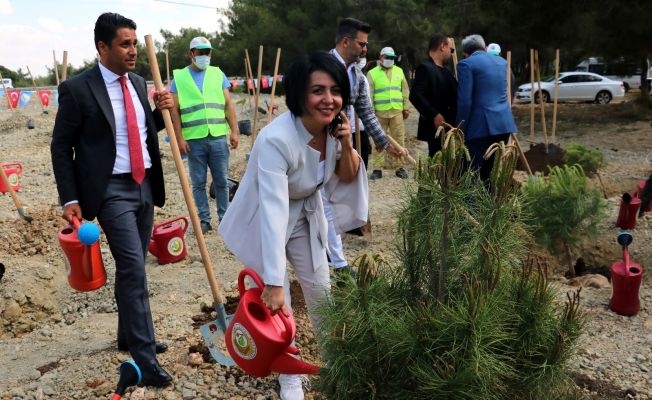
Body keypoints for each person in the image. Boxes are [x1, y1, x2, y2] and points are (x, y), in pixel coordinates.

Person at [219, 51, 367, 400]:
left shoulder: (332, 130)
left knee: (321, 288)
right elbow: (272, 210)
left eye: (334, 90)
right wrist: (272, 281)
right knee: (278, 300)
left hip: (306, 210)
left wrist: (346, 141)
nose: (327, 99)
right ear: (300, 94)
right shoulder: (275, 140)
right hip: (266, 213)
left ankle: (335, 364)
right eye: (318, 90)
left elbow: (346, 175)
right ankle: (289, 374)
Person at [50, 12, 174, 387]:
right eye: (125, 44)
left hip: (144, 185)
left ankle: (129, 335)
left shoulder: (137, 83)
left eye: (135, 43)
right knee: (135, 267)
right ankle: (144, 356)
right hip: (109, 192)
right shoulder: (78, 89)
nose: (133, 50)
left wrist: (160, 110)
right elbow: (61, 146)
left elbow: (139, 129)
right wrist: (69, 197)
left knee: (132, 266)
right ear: (103, 47)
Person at [169, 36, 239, 234]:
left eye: (207, 52)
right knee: (198, 183)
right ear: (191, 54)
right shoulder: (179, 78)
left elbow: (228, 105)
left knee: (222, 181)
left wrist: (234, 131)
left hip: (217, 137)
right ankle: (204, 220)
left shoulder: (218, 74)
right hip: (193, 140)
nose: (205, 56)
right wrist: (179, 138)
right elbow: (174, 111)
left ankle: (224, 219)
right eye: (200, 52)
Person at [456, 34, 517, 181]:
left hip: (481, 127)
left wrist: (459, 128)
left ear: (465, 52)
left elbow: (465, 101)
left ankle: (472, 205)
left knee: (470, 172)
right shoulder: (502, 62)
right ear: (484, 47)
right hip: (504, 125)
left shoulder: (466, 64)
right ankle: (490, 202)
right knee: (489, 172)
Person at [410, 34, 458, 158]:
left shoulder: (446, 71)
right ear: (442, 46)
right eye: (451, 49)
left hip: (450, 127)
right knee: (438, 163)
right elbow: (415, 95)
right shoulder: (425, 68)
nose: (451, 53)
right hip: (437, 129)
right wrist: (434, 115)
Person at [367, 46, 411, 179]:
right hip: (379, 113)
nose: (390, 60)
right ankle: (377, 169)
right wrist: (371, 112)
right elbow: (369, 94)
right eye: (387, 57)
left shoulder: (399, 71)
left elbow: (405, 90)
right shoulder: (372, 73)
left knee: (399, 139)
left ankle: (400, 167)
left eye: (392, 58)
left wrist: (406, 107)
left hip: (396, 111)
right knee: (378, 141)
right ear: (381, 58)